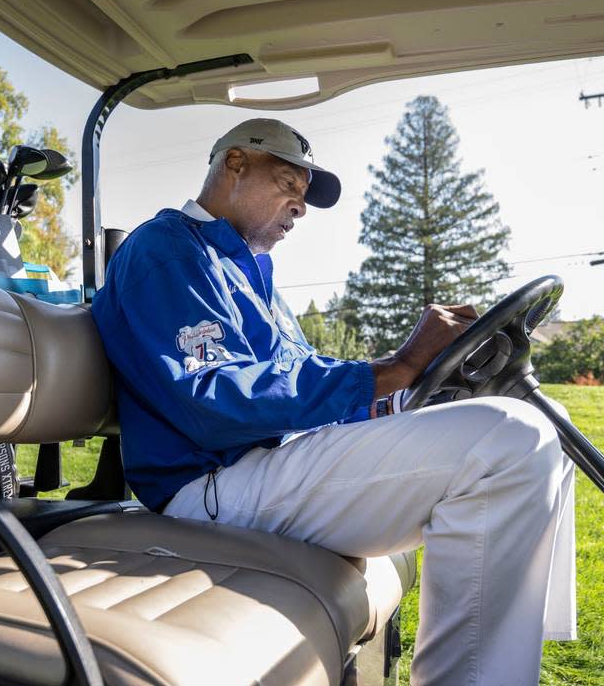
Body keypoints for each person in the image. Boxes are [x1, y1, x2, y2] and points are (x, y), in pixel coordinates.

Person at [90, 118, 576, 685]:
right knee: (509, 439)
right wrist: (388, 370)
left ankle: (510, 645)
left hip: (275, 467)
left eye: (303, 196)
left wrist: (396, 398)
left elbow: (300, 384)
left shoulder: (255, 273)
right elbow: (213, 401)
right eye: (289, 184)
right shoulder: (168, 250)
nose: (299, 206)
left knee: (546, 419)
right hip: (211, 483)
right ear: (235, 164)